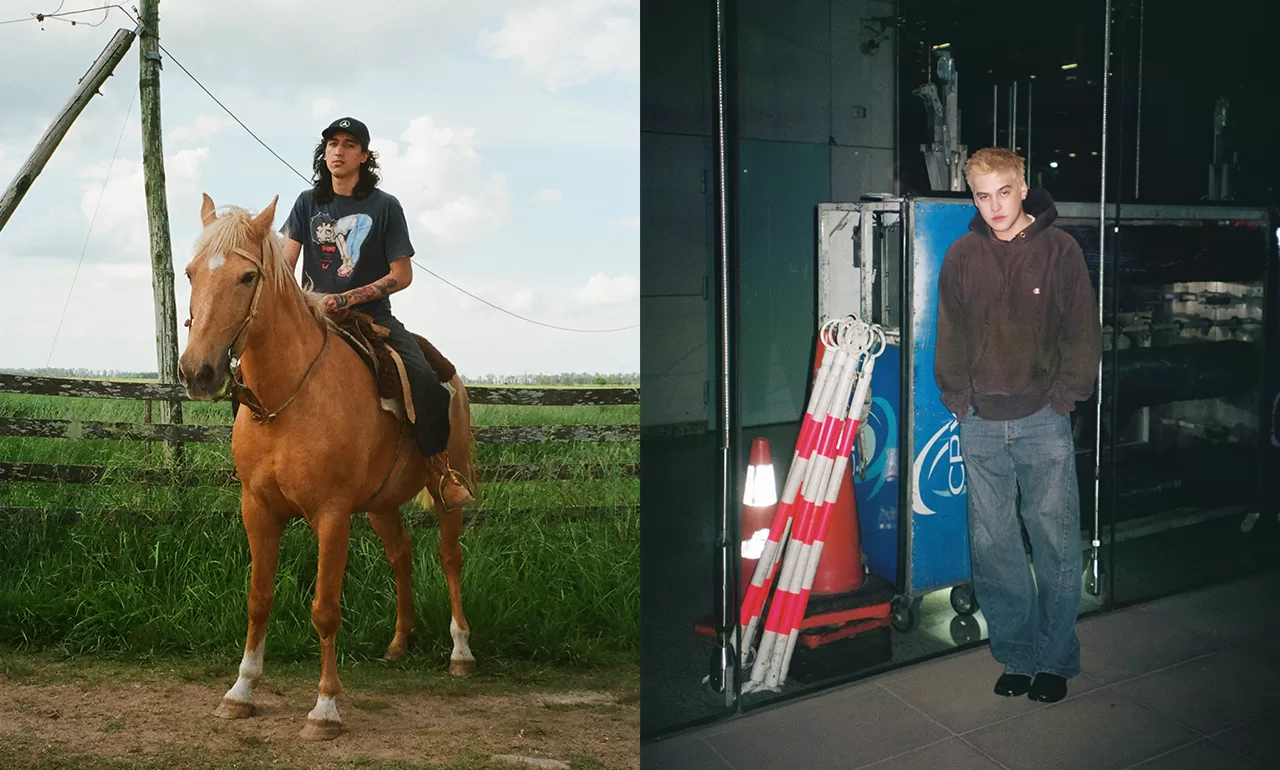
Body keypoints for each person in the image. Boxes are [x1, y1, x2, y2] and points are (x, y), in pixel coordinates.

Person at [934, 147, 1101, 704]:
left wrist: (1066, 397)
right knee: (994, 546)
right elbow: (950, 330)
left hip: (1043, 420)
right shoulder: (962, 255)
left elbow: (1082, 329)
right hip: (980, 422)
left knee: (1055, 541)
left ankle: (1055, 660)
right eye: (983, 196)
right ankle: (1018, 656)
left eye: (1004, 192)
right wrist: (958, 397)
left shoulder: (1060, 250)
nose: (995, 206)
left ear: (1024, 187)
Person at [282, 116, 473, 511]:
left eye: (349, 144)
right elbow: (284, 267)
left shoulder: (384, 206)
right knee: (249, 370)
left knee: (423, 377)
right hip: (311, 318)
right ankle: (252, 462)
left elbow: (401, 275)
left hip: (372, 318)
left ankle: (438, 470)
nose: (338, 150)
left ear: (364, 156)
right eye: (332, 143)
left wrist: (347, 299)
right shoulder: (306, 203)